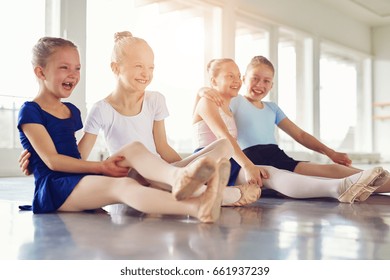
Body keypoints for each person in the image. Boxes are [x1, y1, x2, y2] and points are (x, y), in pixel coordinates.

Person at [19, 31, 260, 207]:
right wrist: (40, 158)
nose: (146, 74)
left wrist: (187, 165)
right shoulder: (99, 109)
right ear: (116, 68)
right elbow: (70, 158)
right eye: (138, 66)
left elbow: (163, 148)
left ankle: (184, 180)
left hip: (159, 170)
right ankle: (224, 195)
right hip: (132, 173)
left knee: (225, 145)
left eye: (150, 67)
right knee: (134, 153)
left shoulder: (152, 100)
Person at [192, 57, 388, 203]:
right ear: (245, 79)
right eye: (255, 79)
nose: (260, 85)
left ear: (272, 85)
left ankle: (371, 180)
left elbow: (300, 135)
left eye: (266, 81)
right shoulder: (234, 100)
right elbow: (214, 105)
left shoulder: (272, 108)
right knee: (294, 178)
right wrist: (203, 90)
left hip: (276, 154)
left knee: (335, 170)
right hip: (250, 157)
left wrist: (331, 152)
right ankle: (342, 188)